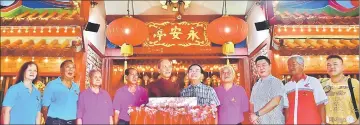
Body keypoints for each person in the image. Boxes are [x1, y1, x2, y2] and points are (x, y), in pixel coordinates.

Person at [284, 55, 328, 124]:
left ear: (302, 65)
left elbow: (321, 104)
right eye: (288, 65)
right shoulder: (287, 86)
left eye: (293, 64)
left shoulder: (313, 81)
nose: (290, 67)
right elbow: (286, 109)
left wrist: (323, 123)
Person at [320, 55, 359, 124]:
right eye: (328, 65)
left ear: (342, 67)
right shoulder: (322, 84)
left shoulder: (353, 83)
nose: (332, 67)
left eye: (335, 64)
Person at [249, 56, 285, 124]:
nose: (261, 68)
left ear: (270, 66)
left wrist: (256, 114)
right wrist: (253, 117)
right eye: (258, 66)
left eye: (264, 65)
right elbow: (252, 103)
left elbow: (275, 102)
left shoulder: (276, 82)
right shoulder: (256, 85)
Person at [42, 60, 80, 125]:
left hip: (72, 122)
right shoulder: (52, 85)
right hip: (55, 122)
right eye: (68, 67)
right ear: (61, 70)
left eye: (73, 67)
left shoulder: (76, 87)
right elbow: (44, 108)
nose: (70, 69)